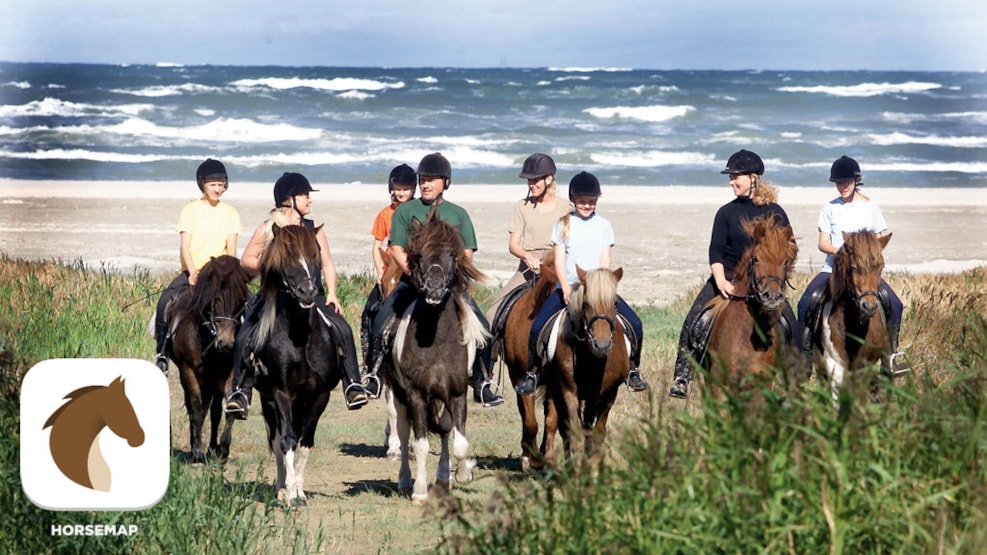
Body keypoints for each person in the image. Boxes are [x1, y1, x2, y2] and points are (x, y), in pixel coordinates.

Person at [224, 172, 369, 417]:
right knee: (245, 334)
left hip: (312, 293)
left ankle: (352, 383)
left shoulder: (312, 229)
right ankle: (241, 390)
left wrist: (332, 293)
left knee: (342, 328)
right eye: (304, 195)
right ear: (289, 199)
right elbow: (246, 260)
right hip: (274, 296)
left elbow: (328, 263)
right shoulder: (269, 227)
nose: (309, 200)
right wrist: (271, 266)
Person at [369, 152, 504, 407]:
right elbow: (396, 249)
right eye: (423, 180)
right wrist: (417, 277)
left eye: (432, 179)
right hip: (413, 285)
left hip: (451, 288)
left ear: (446, 182)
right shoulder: (406, 212)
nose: (425, 184)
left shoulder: (459, 215)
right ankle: (373, 374)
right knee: (379, 323)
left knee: (484, 329)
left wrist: (447, 281)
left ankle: (483, 381)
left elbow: (467, 254)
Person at [668, 150, 798, 399]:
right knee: (695, 320)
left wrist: (776, 279)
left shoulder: (776, 212)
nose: (731, 181)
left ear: (753, 178)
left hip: (765, 283)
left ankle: (796, 379)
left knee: (793, 326)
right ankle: (682, 376)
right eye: (730, 177)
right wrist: (720, 281)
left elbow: (788, 250)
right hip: (727, 279)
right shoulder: (726, 213)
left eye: (735, 176)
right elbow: (715, 251)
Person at [514, 171, 648, 396]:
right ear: (574, 201)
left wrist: (604, 289)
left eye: (592, 201)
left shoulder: (604, 226)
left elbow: (605, 261)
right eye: (583, 201)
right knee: (537, 327)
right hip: (569, 287)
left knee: (635, 324)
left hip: (597, 291)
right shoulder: (563, 224)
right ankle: (533, 373)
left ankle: (634, 370)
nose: (587, 205)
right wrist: (565, 288)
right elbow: (559, 259)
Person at [797, 155, 907, 370]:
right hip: (832, 270)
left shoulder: (870, 208)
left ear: (856, 181)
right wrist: (844, 251)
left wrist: (862, 255)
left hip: (864, 272)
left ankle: (891, 357)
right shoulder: (829, 209)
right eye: (838, 183)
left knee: (894, 304)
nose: (842, 187)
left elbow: (877, 240)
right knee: (805, 302)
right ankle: (805, 357)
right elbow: (822, 243)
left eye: (846, 182)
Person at [154, 158, 240, 372]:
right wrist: (192, 273)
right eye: (213, 185)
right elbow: (185, 247)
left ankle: (245, 353)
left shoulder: (230, 212)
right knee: (165, 301)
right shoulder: (189, 211)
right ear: (202, 184)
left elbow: (231, 249)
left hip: (219, 273)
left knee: (244, 305)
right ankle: (162, 352)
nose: (217, 189)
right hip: (193, 270)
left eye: (221, 184)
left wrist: (227, 275)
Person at [485, 153, 572, 325]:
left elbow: (570, 243)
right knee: (491, 314)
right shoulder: (521, 207)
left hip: (556, 266)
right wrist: (528, 256)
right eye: (528, 181)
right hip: (527, 268)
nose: (531, 185)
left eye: (535, 180)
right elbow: (513, 245)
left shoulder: (566, 207)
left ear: (548, 179)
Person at [359, 163, 417, 398]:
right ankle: (372, 370)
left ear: (413, 189)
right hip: (390, 269)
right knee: (369, 312)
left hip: (413, 269)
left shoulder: (419, 211)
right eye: (398, 188)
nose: (401, 192)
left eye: (406, 188)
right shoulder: (385, 214)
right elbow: (377, 246)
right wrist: (378, 269)